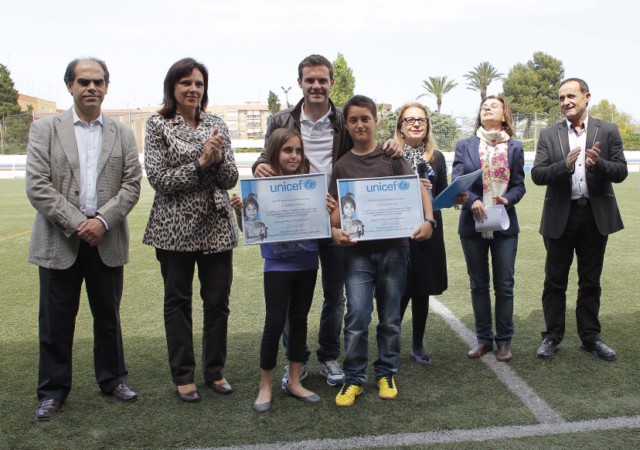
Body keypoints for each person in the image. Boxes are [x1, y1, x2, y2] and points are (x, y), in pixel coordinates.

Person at [252, 54, 401, 389]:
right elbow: (267, 154)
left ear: (332, 83)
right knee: (292, 299)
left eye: (322, 80)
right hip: (296, 218)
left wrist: (393, 143)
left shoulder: (343, 118)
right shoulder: (281, 119)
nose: (316, 86)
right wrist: (260, 164)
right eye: (310, 80)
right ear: (300, 83)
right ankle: (295, 359)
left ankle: (329, 355)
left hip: (335, 216)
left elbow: (366, 141)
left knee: (335, 295)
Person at [26, 57, 142, 421]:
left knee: (108, 317)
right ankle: (52, 391)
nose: (92, 88)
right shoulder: (45, 130)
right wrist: (79, 223)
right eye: (84, 82)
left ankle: (114, 379)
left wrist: (102, 221)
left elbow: (132, 185)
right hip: (59, 239)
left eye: (98, 82)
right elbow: (38, 186)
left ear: (106, 87)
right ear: (70, 86)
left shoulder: (122, 134)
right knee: (55, 322)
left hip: (106, 238)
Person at [329, 95, 435, 407]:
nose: (360, 124)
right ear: (346, 125)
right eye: (353, 120)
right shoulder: (342, 165)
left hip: (394, 250)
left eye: (365, 118)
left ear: (376, 120)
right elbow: (335, 215)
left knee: (390, 318)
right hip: (357, 254)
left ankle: (386, 372)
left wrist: (429, 220)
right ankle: (354, 378)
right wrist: (334, 230)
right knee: (357, 317)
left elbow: (417, 188)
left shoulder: (392, 156)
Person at [143, 58, 239, 403]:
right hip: (174, 227)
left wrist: (218, 159)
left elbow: (230, 178)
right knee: (178, 303)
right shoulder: (158, 125)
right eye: (186, 83)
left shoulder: (216, 123)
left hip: (216, 227)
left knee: (217, 302)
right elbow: (159, 179)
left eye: (198, 83)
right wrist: (200, 164)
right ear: (172, 87)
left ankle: (215, 371)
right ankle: (183, 375)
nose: (193, 89)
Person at [234, 128, 332, 413]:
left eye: (298, 151)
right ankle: (265, 385)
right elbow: (250, 231)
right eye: (288, 150)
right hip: (277, 265)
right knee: (275, 322)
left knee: (299, 320)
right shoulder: (261, 187)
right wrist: (240, 212)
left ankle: (295, 381)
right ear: (275, 153)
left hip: (307, 261)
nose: (294, 156)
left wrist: (328, 209)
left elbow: (322, 223)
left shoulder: (311, 184)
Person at [532, 78, 628, 361]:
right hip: (559, 217)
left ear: (586, 97)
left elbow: (621, 171)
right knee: (554, 282)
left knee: (590, 281)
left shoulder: (607, 130)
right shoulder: (549, 134)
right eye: (561, 98)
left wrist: (598, 164)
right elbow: (537, 174)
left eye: (571, 96)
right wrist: (564, 166)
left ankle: (590, 338)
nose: (566, 102)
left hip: (595, 217)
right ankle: (552, 336)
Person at [452, 95, 525, 363]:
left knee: (504, 285)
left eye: (493, 106)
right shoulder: (466, 145)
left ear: (504, 114)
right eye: (484, 106)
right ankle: (484, 339)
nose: (487, 108)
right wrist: (472, 201)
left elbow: (519, 185)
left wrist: (509, 199)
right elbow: (457, 181)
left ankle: (504, 341)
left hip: (504, 224)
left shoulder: (515, 147)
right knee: (478, 285)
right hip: (473, 224)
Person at [395, 103, 448, 366]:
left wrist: (454, 196)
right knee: (398, 289)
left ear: (427, 126)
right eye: (410, 120)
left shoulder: (436, 157)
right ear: (400, 127)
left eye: (421, 120)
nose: (416, 124)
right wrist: (411, 188)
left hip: (429, 229)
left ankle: (417, 344)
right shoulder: (390, 155)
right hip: (398, 229)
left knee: (422, 289)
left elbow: (442, 194)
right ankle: (391, 344)